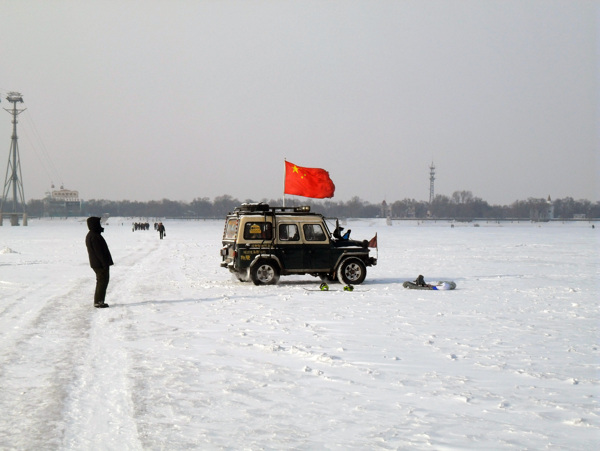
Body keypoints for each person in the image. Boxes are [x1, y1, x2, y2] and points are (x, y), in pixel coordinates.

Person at [86, 216, 114, 308]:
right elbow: (99, 252)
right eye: (98, 223)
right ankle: (98, 302)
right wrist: (104, 263)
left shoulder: (93, 234)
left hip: (97, 263)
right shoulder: (94, 236)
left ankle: (99, 301)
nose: (100, 224)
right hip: (99, 264)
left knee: (102, 281)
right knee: (102, 282)